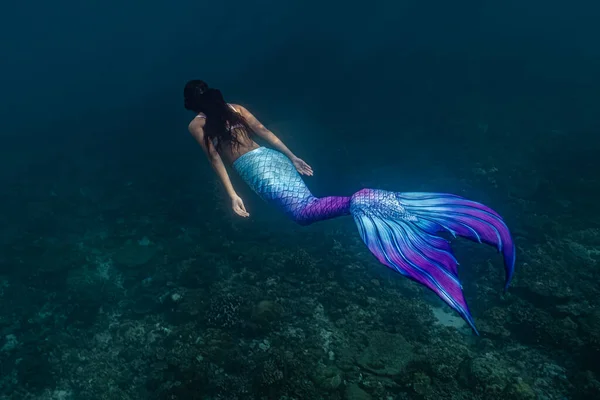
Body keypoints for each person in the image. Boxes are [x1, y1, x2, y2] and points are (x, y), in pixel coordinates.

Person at [184, 79, 516, 335]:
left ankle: (359, 200)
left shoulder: (197, 125)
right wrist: (292, 156)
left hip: (255, 170)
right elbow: (264, 132)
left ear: (191, 103)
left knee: (303, 214)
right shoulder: (235, 108)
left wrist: (231, 195)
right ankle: (365, 203)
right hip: (272, 161)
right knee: (307, 208)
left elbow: (216, 160)